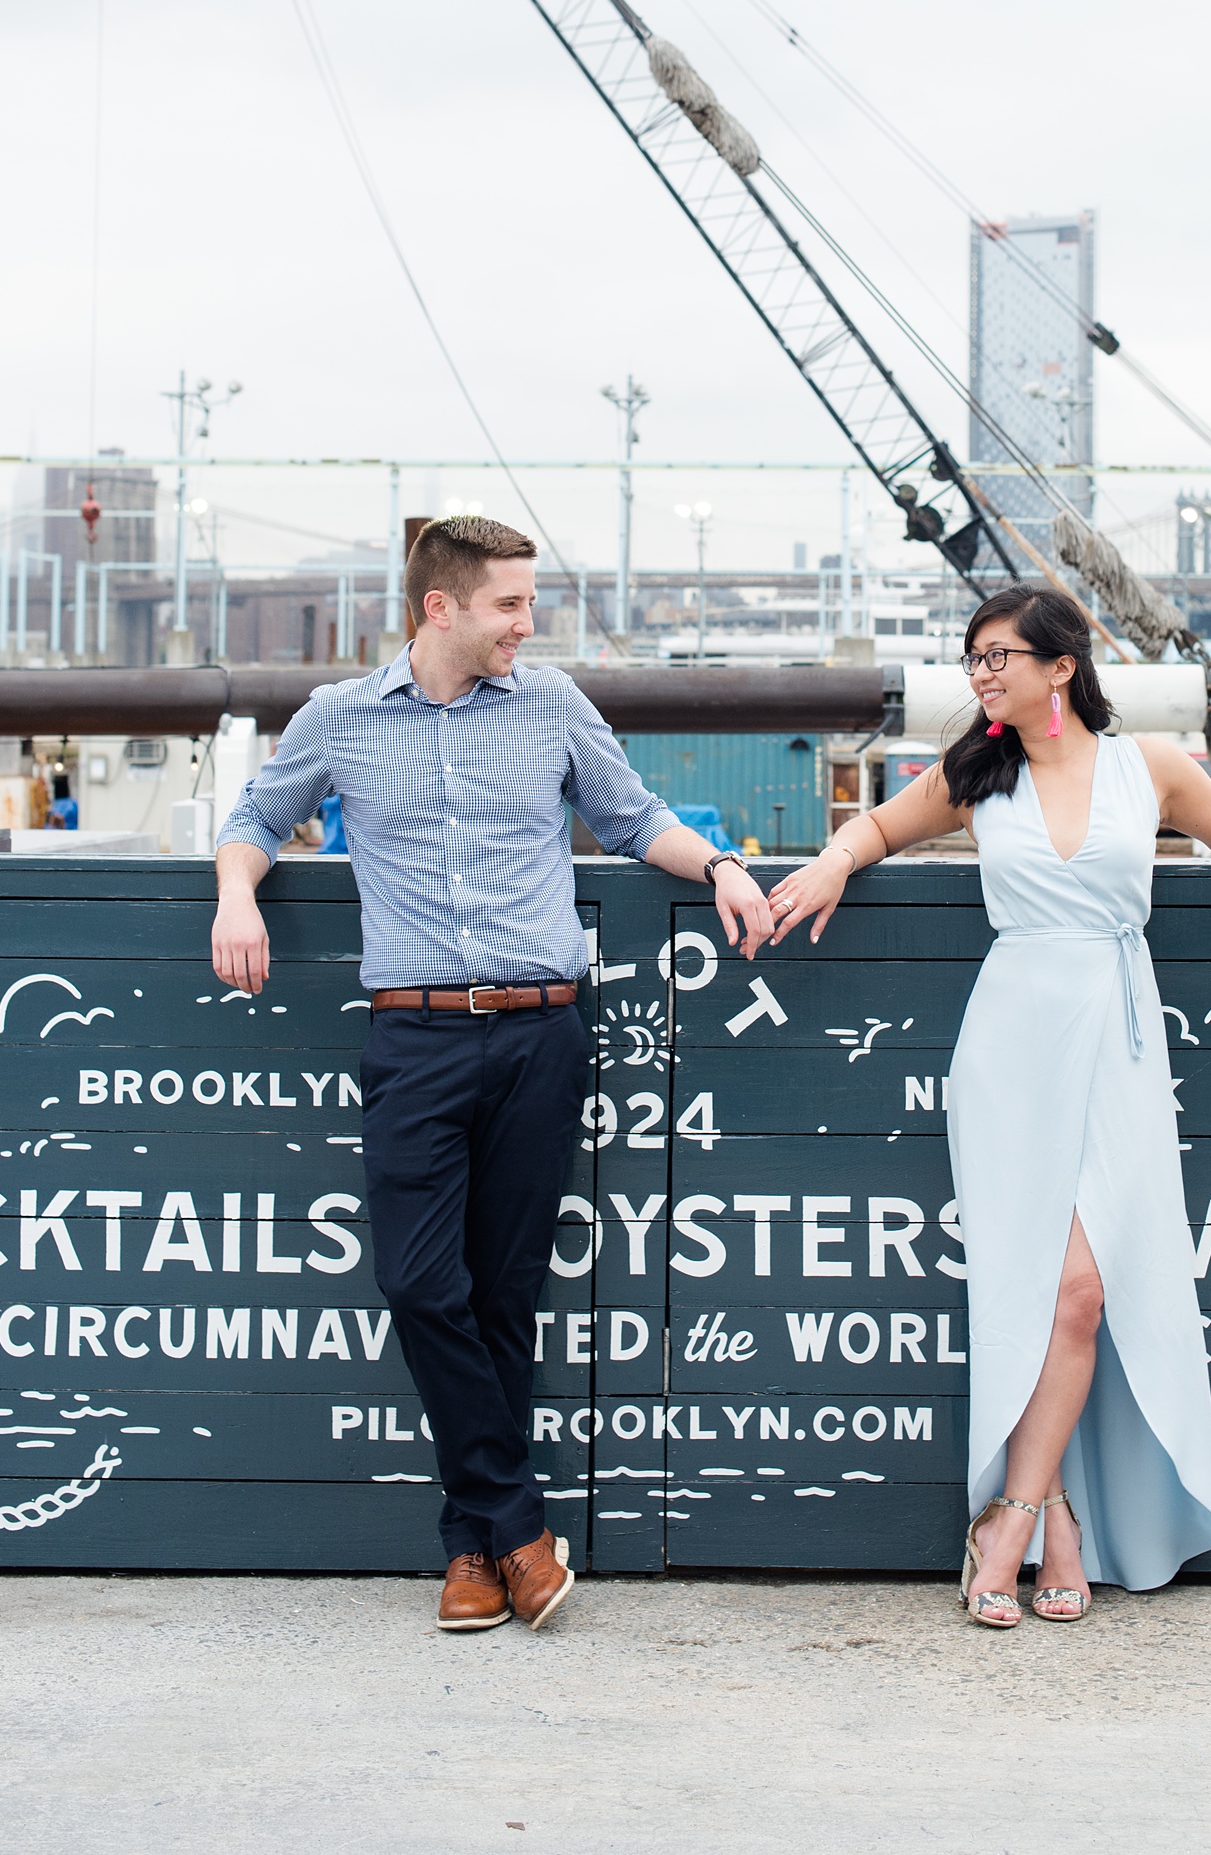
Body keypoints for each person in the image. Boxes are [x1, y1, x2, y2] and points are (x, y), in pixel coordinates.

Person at [210, 514, 775, 1633]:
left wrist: (717, 865)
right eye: (511, 605)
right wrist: (236, 894)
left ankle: (469, 1552)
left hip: (542, 1033)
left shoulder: (552, 706)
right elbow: (256, 817)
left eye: (528, 605)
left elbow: (630, 817)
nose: (528, 624)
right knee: (423, 1285)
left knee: (503, 1295)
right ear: (441, 608)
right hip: (413, 1040)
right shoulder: (342, 718)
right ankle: (518, 1526)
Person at [764, 582, 1211, 1626]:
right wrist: (827, 864)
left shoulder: (1143, 764)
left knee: (1083, 1294)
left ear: (1061, 665)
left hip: (1118, 1038)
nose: (979, 673)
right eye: (970, 658)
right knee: (1032, 1293)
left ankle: (1012, 1515)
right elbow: (873, 829)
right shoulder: (977, 772)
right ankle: (1040, 1514)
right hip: (1013, 1046)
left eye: (998, 655)